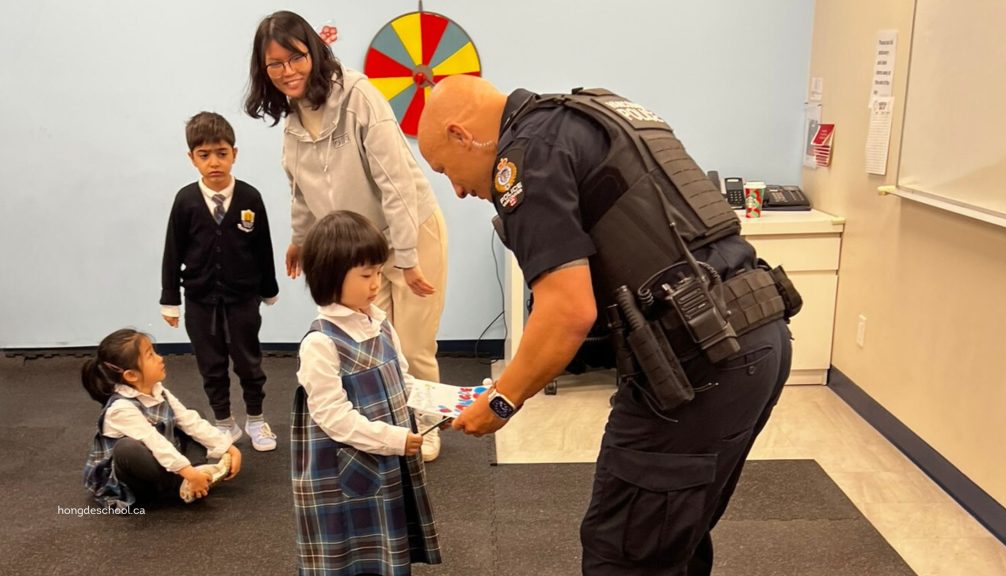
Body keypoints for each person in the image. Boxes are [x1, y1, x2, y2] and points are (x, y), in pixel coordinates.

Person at [418, 76, 798, 576]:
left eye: (447, 169)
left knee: (624, 556)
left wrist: (501, 399)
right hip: (756, 334)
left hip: (698, 364)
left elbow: (568, 311)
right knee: (674, 537)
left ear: (462, 134)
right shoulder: (593, 115)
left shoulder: (526, 156)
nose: (460, 189)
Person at [244, 10, 448, 461]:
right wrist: (300, 237)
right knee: (376, 341)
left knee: (413, 343)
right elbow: (300, 187)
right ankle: (392, 427)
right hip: (358, 246)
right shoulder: (294, 119)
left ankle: (427, 427)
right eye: (273, 65)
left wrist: (408, 257)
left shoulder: (358, 96)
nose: (287, 72)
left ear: (313, 52)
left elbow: (394, 180)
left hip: (412, 228)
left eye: (294, 58)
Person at [293, 210, 441, 575]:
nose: (376, 283)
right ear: (330, 276)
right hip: (349, 472)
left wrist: (439, 406)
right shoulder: (320, 342)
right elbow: (333, 418)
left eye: (378, 272)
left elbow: (402, 380)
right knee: (353, 554)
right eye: (365, 275)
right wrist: (392, 438)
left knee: (389, 548)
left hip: (386, 460)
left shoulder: (380, 322)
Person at [160, 111, 280, 452]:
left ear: (234, 154)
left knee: (248, 361)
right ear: (192, 158)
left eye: (221, 153)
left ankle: (256, 419)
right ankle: (224, 422)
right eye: (204, 155)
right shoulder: (185, 200)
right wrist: (171, 300)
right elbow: (172, 251)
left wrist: (268, 290)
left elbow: (263, 246)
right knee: (211, 364)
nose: (214, 162)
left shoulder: (249, 198)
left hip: (243, 298)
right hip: (200, 299)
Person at [82, 329, 243, 508]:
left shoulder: (158, 390)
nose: (160, 358)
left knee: (193, 415)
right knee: (127, 449)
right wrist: (188, 473)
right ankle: (181, 484)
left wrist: (228, 447)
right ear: (131, 375)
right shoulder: (121, 409)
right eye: (150, 355)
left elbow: (189, 421)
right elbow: (155, 442)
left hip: (163, 458)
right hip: (139, 480)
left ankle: (194, 476)